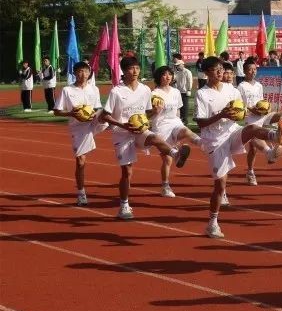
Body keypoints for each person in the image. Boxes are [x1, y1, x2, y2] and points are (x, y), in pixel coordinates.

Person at [197, 56, 282, 238]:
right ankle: (212, 223)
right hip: (214, 140)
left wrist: (253, 110)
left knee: (252, 128)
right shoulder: (202, 94)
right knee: (220, 185)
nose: (220, 72)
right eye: (216, 69)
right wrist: (222, 115)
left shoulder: (231, 90)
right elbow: (201, 123)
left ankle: (275, 138)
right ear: (207, 72)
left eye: (221, 69)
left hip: (232, 131)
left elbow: (242, 112)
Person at [100, 56, 191, 220]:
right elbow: (104, 116)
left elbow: (146, 113)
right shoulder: (116, 91)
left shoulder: (145, 90)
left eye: (137, 68)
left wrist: (154, 113)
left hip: (140, 130)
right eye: (131, 68)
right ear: (124, 71)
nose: (135, 71)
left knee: (155, 138)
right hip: (122, 133)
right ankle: (124, 205)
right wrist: (123, 125)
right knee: (127, 172)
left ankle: (176, 154)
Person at [53, 61, 109, 206]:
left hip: (93, 122)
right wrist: (72, 113)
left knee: (107, 113)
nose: (83, 74)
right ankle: (81, 193)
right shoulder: (67, 90)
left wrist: (94, 114)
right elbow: (56, 111)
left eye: (86, 71)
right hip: (78, 127)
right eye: (80, 71)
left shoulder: (94, 89)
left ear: (89, 73)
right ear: (75, 73)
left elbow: (98, 107)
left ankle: (123, 130)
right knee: (80, 161)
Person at [149, 65, 202, 198]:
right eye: (164, 74)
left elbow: (177, 111)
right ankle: (165, 186)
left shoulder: (176, 92)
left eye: (169, 74)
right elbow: (147, 114)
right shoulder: (154, 94)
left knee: (185, 130)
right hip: (161, 126)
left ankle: (202, 143)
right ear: (159, 77)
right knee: (167, 160)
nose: (167, 77)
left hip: (174, 121)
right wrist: (154, 111)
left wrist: (178, 133)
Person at [238, 57, 282, 186]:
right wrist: (251, 109)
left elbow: (261, 101)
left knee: (281, 116)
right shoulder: (241, 86)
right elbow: (241, 104)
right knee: (253, 147)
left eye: (255, 69)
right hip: (250, 117)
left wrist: (265, 108)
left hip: (261, 115)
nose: (253, 72)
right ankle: (252, 170)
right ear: (245, 71)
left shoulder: (259, 85)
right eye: (250, 69)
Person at [171, 53, 193, 125]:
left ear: (182, 64)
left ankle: (185, 120)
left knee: (185, 106)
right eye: (176, 65)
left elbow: (190, 81)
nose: (177, 66)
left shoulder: (187, 72)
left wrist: (189, 89)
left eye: (178, 65)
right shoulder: (176, 72)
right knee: (179, 106)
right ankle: (180, 118)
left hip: (185, 91)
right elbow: (174, 80)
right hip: (178, 91)